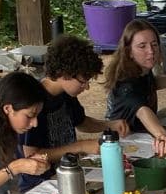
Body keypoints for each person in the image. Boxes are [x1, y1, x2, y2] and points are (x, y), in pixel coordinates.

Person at [24, 35, 130, 169]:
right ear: (64, 73)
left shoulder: (66, 93)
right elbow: (32, 155)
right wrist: (81, 146)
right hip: (42, 179)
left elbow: (82, 122)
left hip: (69, 168)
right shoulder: (34, 102)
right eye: (83, 81)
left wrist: (110, 125)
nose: (86, 87)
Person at [103, 19, 166, 153]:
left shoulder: (141, 69)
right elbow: (142, 111)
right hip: (121, 145)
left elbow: (150, 84)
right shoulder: (125, 83)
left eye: (154, 44)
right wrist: (162, 135)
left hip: (141, 137)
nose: (151, 51)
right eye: (142, 46)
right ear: (129, 51)